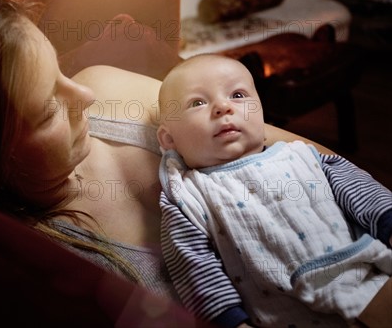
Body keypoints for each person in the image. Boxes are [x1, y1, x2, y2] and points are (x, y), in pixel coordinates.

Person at [0, 0, 392, 318]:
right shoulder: (47, 256)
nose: (81, 94)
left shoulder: (105, 89)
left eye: (59, 69)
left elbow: (302, 158)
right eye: (46, 110)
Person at [157, 53, 392, 327]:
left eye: (237, 95)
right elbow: (192, 265)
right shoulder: (187, 196)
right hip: (280, 315)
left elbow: (363, 192)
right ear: (169, 139)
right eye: (197, 102)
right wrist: (228, 319)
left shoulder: (304, 156)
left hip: (361, 277)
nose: (222, 107)